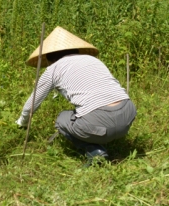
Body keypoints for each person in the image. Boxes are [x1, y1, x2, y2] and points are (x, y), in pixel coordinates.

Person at [16, 26, 136, 165]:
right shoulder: (93, 60)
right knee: (86, 114)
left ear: (48, 58)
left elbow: (32, 104)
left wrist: (22, 123)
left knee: (62, 119)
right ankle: (111, 140)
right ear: (76, 50)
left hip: (99, 122)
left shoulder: (52, 70)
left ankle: (94, 150)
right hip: (127, 114)